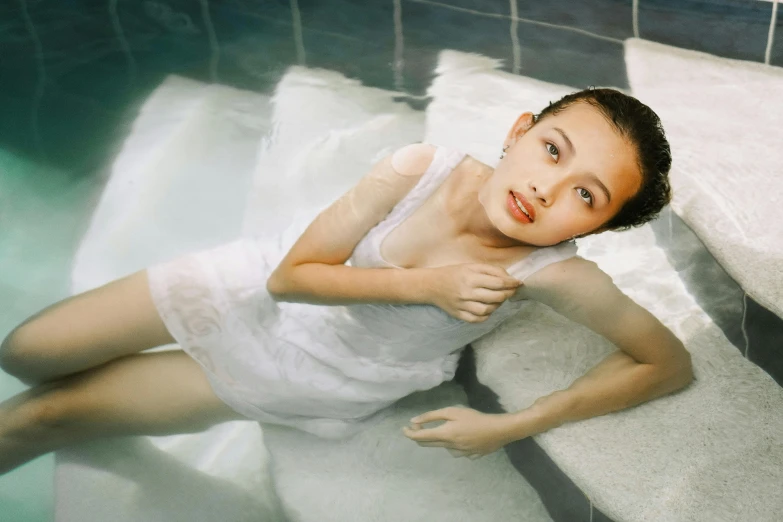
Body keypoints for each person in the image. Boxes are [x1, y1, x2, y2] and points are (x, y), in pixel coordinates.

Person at [0, 88, 693, 474]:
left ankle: (97, 422)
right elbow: (287, 279)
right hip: (251, 286)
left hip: (319, 368)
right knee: (26, 352)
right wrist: (428, 287)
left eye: (585, 195)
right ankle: (111, 422)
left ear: (592, 228)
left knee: (41, 416)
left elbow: (667, 364)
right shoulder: (417, 168)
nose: (545, 189)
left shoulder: (556, 274)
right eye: (551, 149)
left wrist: (511, 424)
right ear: (517, 131)